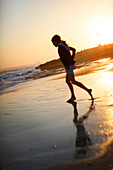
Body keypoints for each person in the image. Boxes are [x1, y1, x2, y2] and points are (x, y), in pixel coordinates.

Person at [51, 35, 94, 102]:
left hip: (68, 66)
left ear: (56, 41)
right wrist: (72, 59)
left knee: (73, 81)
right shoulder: (64, 45)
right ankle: (73, 96)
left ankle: (87, 90)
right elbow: (73, 50)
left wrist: (68, 63)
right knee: (68, 81)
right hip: (70, 65)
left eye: (53, 42)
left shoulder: (60, 47)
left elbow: (64, 58)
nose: (53, 44)